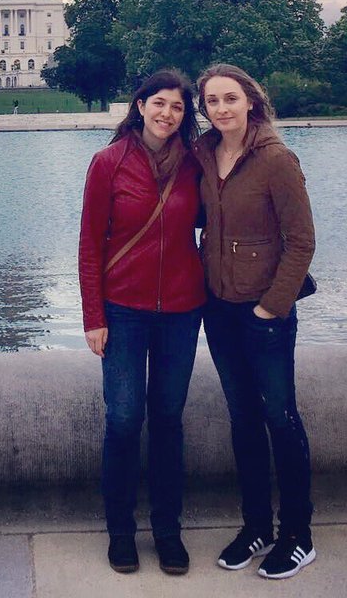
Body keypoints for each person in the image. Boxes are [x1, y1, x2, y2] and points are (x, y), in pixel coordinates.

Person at [78, 68, 206, 576]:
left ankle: (168, 530)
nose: (167, 114)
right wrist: (93, 316)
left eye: (177, 107)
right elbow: (90, 244)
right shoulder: (108, 162)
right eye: (159, 103)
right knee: (124, 419)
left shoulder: (196, 163)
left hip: (182, 309)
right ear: (140, 105)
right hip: (123, 310)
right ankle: (120, 531)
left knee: (169, 420)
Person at [194, 64, 316, 581]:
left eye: (230, 98)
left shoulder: (276, 160)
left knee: (280, 419)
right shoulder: (202, 154)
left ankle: (298, 534)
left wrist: (272, 307)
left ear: (251, 101)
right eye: (212, 101)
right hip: (219, 309)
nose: (222, 108)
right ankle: (257, 526)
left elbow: (302, 243)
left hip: (265, 312)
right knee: (242, 419)